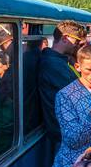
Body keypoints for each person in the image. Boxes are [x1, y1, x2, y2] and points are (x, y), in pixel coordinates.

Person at [37, 21, 87, 154]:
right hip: (64, 134)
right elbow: (79, 96)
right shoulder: (53, 65)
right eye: (77, 42)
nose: (78, 46)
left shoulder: (61, 61)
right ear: (65, 38)